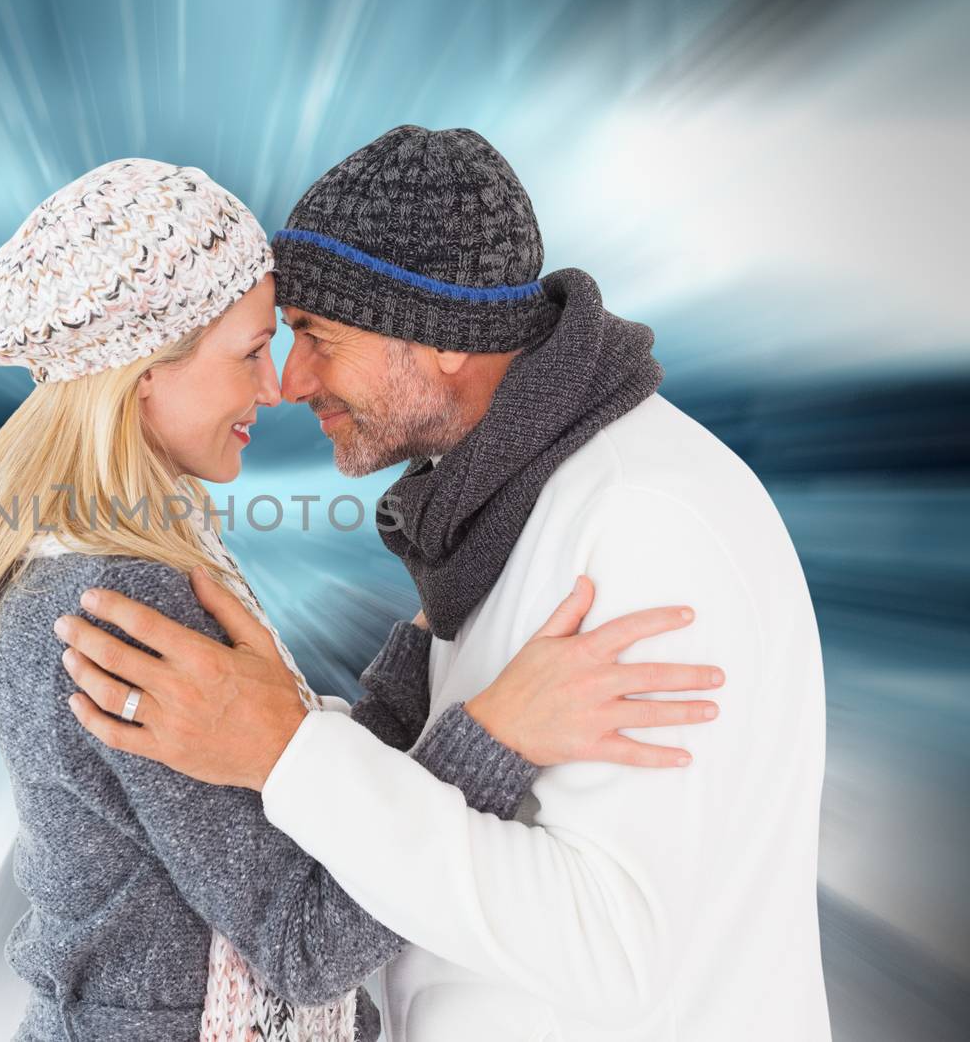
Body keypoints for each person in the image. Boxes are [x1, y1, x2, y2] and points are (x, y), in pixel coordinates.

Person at [60, 128, 831, 1040]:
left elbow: (614, 948)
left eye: (317, 336)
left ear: (445, 336)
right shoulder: (504, 509)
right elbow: (446, 812)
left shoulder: (642, 524)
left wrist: (289, 753)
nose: (289, 381)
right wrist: (303, 731)